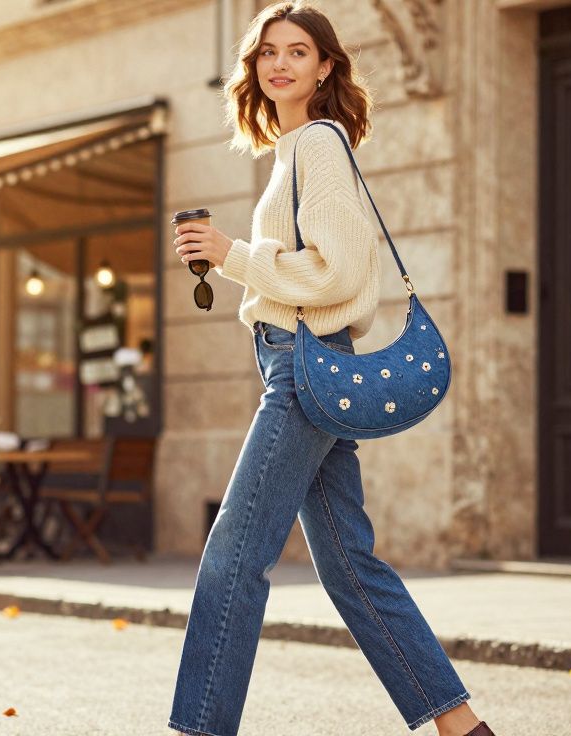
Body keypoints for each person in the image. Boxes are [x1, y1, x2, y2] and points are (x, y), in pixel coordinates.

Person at [167, 3, 493, 735]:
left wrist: (233, 255)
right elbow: (308, 271)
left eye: (298, 51)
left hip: (303, 373)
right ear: (252, 68)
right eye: (266, 52)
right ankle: (462, 727)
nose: (279, 63)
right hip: (306, 366)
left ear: (325, 67)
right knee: (351, 569)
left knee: (232, 560)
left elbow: (341, 274)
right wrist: (228, 261)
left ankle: (198, 729)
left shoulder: (318, 142)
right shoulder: (290, 152)